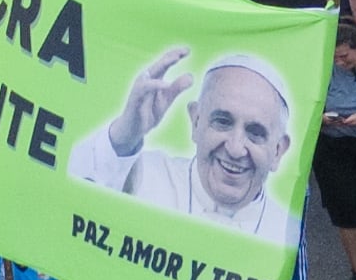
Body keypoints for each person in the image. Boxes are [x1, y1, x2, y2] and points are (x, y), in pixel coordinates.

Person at [68, 49, 305, 248]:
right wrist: (122, 139)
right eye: (222, 122)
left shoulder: (286, 230)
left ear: (278, 151)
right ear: (196, 121)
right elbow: (68, 203)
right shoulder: (144, 176)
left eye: (255, 133)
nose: (235, 149)